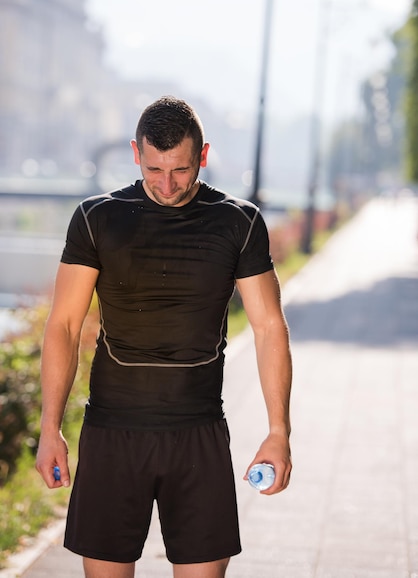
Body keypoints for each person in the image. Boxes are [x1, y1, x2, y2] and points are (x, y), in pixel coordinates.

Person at [36, 96, 292, 578]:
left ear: (203, 154)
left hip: (198, 433)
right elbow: (64, 327)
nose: (168, 184)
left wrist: (279, 431)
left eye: (181, 169)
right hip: (112, 433)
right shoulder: (97, 218)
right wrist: (50, 428)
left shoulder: (239, 222)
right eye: (155, 169)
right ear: (136, 153)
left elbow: (268, 327)